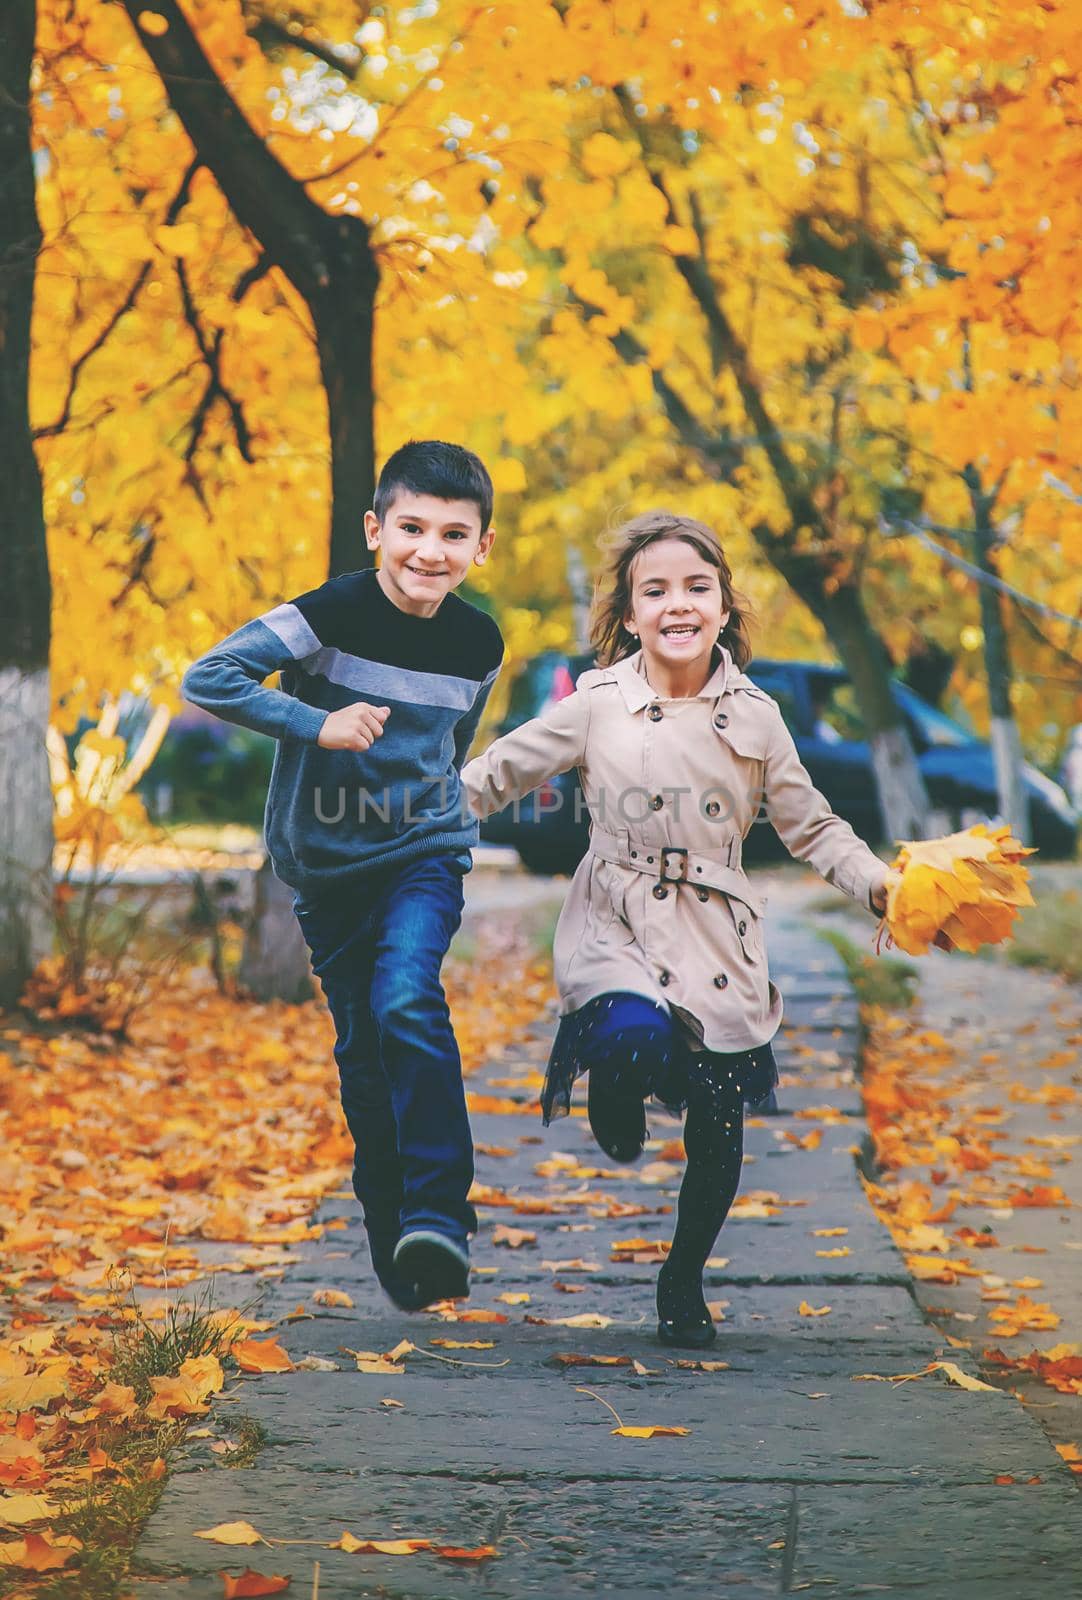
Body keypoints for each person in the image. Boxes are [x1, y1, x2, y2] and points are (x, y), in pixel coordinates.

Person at [462, 510, 894, 1349]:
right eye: (654, 591)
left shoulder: (759, 716)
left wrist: (875, 882)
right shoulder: (597, 704)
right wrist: (413, 817)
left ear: (724, 607)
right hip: (617, 913)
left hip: (716, 930)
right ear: (630, 615)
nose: (677, 604)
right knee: (629, 1037)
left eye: (696, 587)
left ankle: (683, 1276)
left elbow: (812, 826)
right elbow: (498, 771)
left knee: (719, 1120)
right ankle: (615, 1087)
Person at [181, 440, 503, 1311]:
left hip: (423, 854)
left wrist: (440, 813)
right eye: (411, 527)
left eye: (452, 533)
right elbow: (209, 675)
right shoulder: (326, 615)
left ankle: (440, 1214)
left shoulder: (479, 640)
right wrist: (311, 723)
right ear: (375, 529)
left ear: (483, 547)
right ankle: (396, 1234)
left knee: (407, 996)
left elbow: (449, 748)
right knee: (364, 1058)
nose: (428, 550)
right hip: (325, 871)